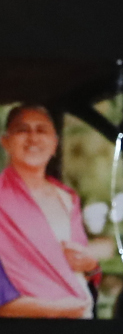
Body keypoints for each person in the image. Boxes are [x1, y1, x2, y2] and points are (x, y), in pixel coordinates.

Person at [0, 104, 99, 317]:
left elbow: (83, 271)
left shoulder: (68, 198)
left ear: (54, 144)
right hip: (27, 325)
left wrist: (91, 265)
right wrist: (56, 311)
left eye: (42, 130)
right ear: (6, 142)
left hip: (81, 316)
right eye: (22, 130)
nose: (33, 138)